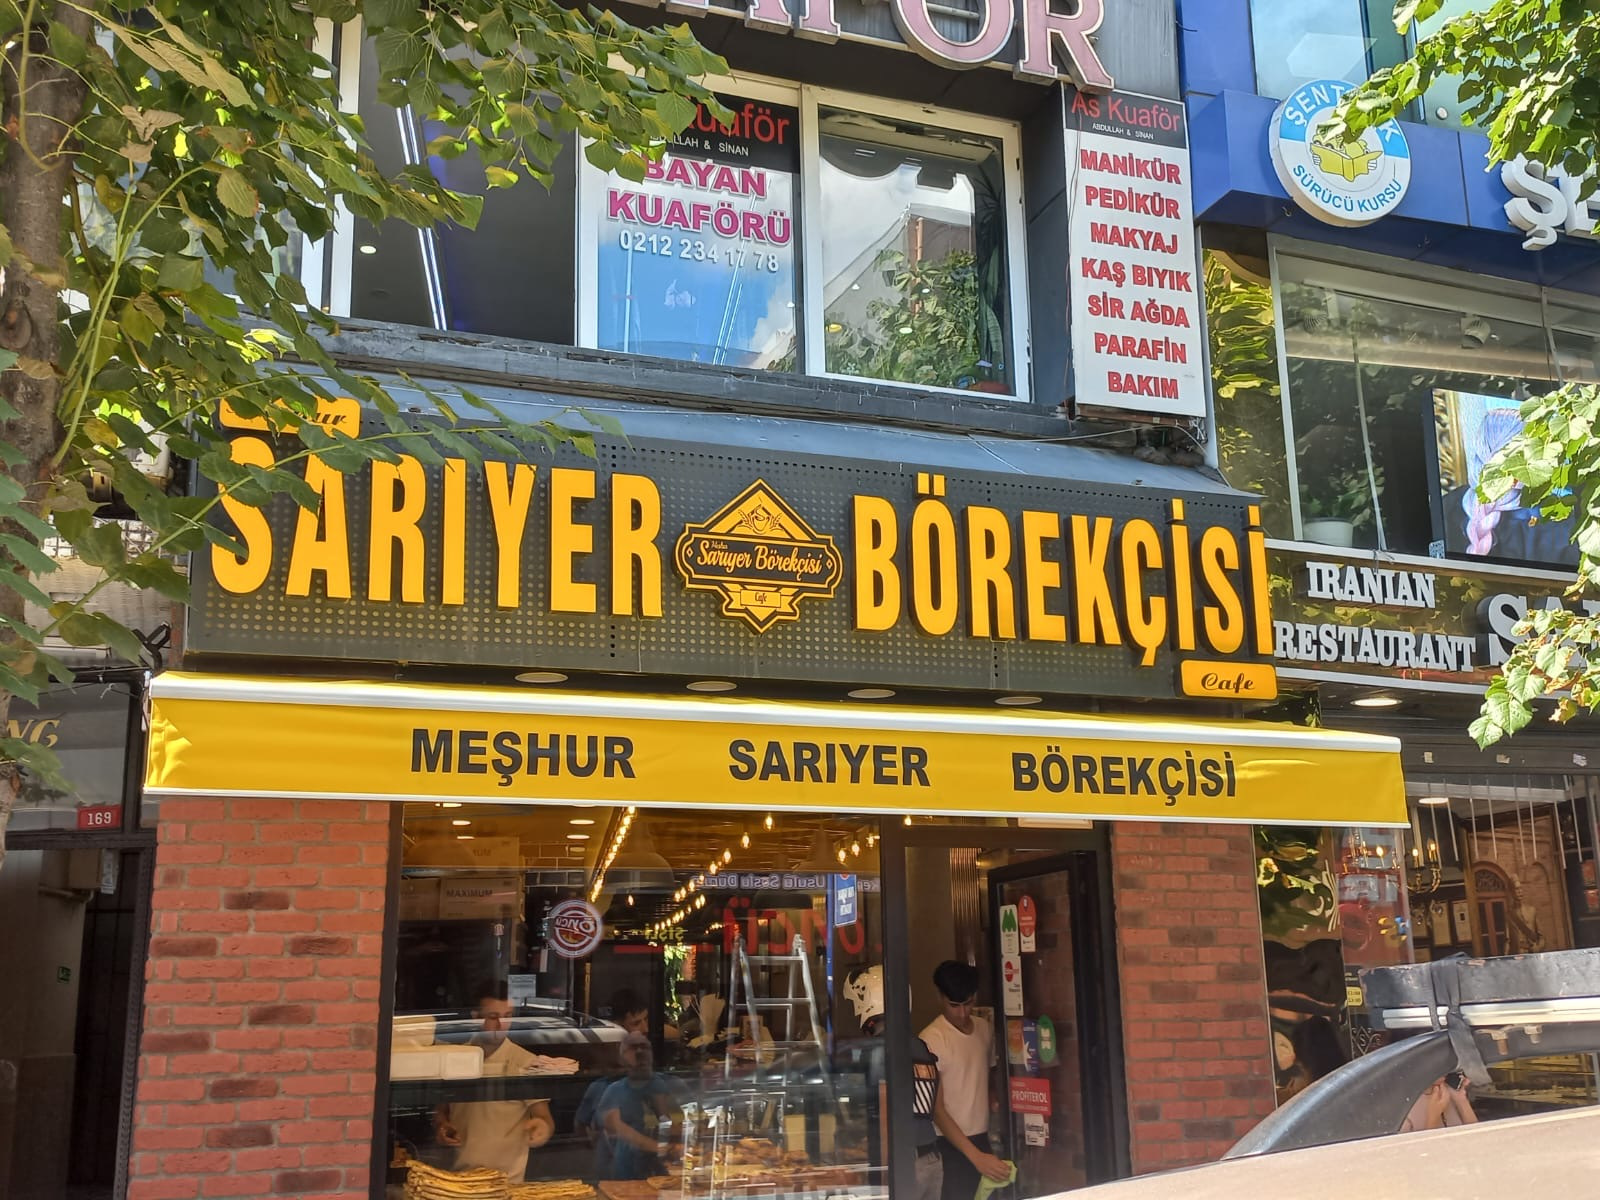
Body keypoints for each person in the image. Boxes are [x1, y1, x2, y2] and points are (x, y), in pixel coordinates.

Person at [434, 980, 555, 1180]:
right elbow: (441, 1110)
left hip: (507, 1182)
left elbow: (544, 1118)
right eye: (493, 1017)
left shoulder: (525, 1061)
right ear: (475, 1017)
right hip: (458, 1180)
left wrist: (542, 1129)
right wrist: (442, 1126)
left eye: (507, 1016)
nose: (501, 1025)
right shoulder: (456, 1057)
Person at [843, 965, 946, 1200]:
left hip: (902, 1163)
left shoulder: (879, 1050)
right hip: (932, 1158)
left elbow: (882, 1107)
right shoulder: (920, 1046)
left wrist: (881, 1172)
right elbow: (936, 1102)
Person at [919, 961, 1009, 1200]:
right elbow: (937, 1110)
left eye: (968, 1003)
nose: (962, 1012)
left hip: (984, 1138)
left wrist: (995, 1102)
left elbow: (987, 1078)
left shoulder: (984, 1030)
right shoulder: (931, 1040)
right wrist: (976, 1157)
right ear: (940, 997)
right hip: (948, 1146)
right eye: (954, 1005)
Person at [595, 1032, 685, 1179]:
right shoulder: (613, 1091)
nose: (639, 1052)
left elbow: (682, 1124)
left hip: (666, 1170)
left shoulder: (669, 1084)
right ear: (622, 1058)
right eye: (633, 1047)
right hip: (627, 1172)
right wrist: (664, 1148)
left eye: (644, 1047)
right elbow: (620, 1130)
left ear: (652, 1053)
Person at [1400, 1072, 1478, 1132]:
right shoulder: (1404, 1108)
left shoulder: (1448, 1091)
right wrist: (1433, 1117)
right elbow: (1423, 1147)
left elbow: (1477, 1138)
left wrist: (1462, 1101)